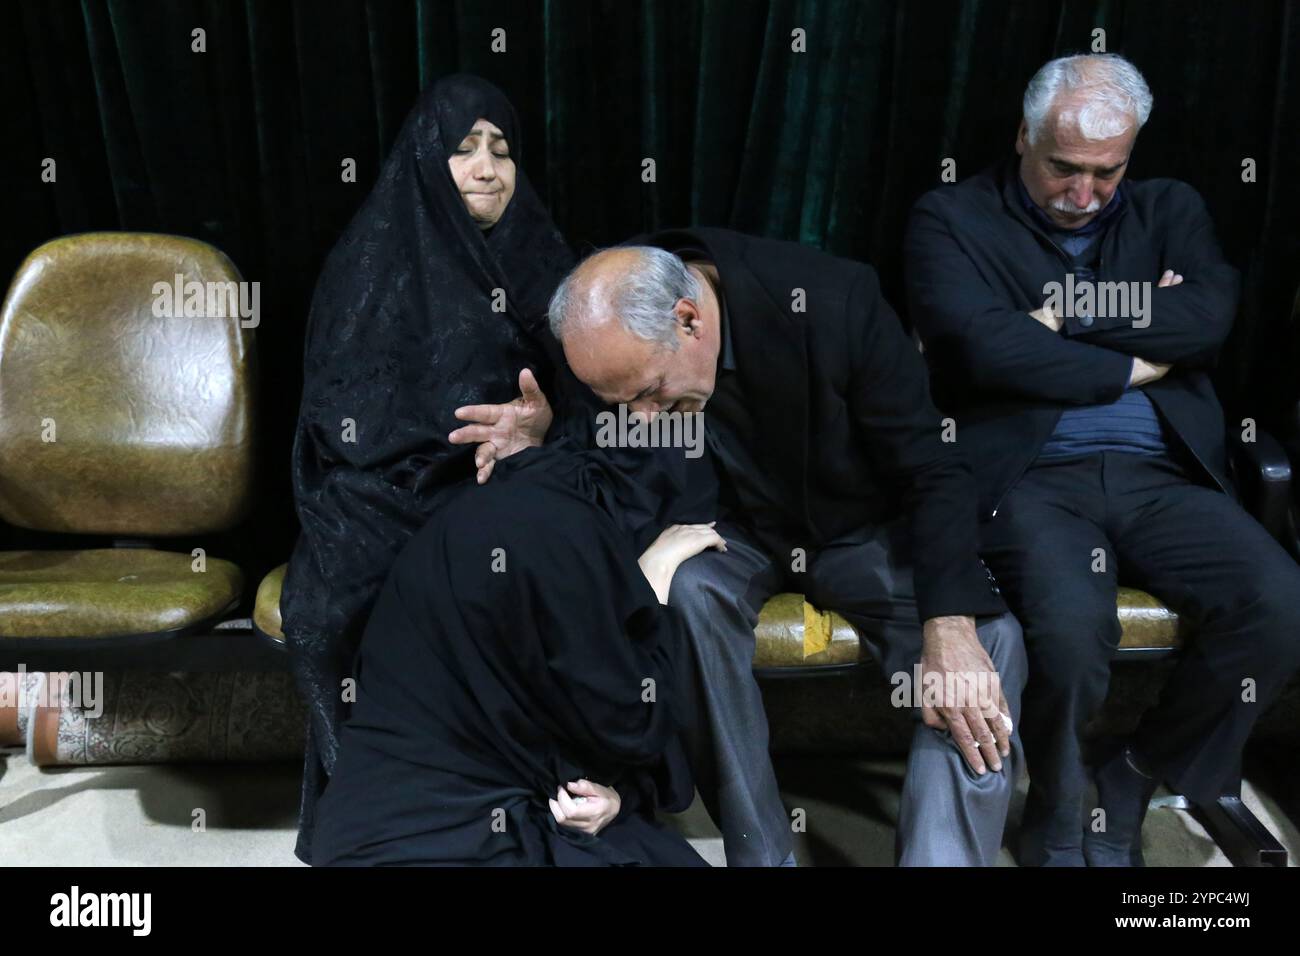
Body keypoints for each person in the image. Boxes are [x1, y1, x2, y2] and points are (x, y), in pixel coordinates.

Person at [465, 233, 1027, 866]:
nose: (645, 419)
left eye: (653, 393)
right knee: (688, 596)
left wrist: (948, 625)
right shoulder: (614, 341)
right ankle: (761, 859)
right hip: (730, 532)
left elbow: (934, 467)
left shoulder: (836, 301)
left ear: (689, 320)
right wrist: (545, 442)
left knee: (988, 643)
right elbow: (604, 459)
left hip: (860, 528)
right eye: (626, 405)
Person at [904, 53, 1300, 866]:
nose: (1081, 195)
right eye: (1063, 168)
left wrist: (1059, 315)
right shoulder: (951, 218)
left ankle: (1136, 772)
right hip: (1031, 479)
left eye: (1104, 173)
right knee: (1073, 633)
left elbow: (1206, 318)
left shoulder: (1169, 208)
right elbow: (979, 349)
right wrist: (1134, 352)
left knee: (1281, 601)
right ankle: (1057, 812)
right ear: (1023, 134)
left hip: (1162, 474)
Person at [280, 74, 573, 864]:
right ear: (424, 161)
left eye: (502, 151)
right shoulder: (371, 255)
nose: (487, 168)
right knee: (321, 606)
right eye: (464, 149)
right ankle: (375, 807)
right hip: (377, 486)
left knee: (502, 575)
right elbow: (337, 410)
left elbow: (598, 391)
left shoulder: (544, 259)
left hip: (503, 487)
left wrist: (543, 425)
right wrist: (422, 458)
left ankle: (497, 802)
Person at [311, 441, 713, 866]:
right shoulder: (566, 545)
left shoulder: (456, 527)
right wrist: (653, 581)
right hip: (469, 835)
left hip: (354, 833)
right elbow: (632, 722)